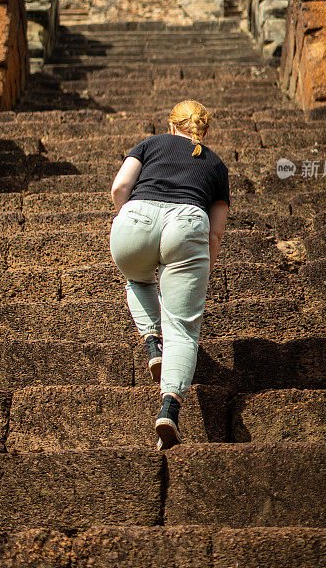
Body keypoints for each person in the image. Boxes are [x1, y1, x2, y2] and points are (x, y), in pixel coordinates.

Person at [109, 99, 230, 449]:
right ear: (204, 131)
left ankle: (151, 342)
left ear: (172, 125)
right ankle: (169, 409)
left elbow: (119, 188)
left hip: (136, 217)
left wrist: (127, 220)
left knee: (137, 277)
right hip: (189, 225)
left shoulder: (150, 143)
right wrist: (198, 273)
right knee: (182, 326)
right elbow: (215, 234)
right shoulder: (216, 165)